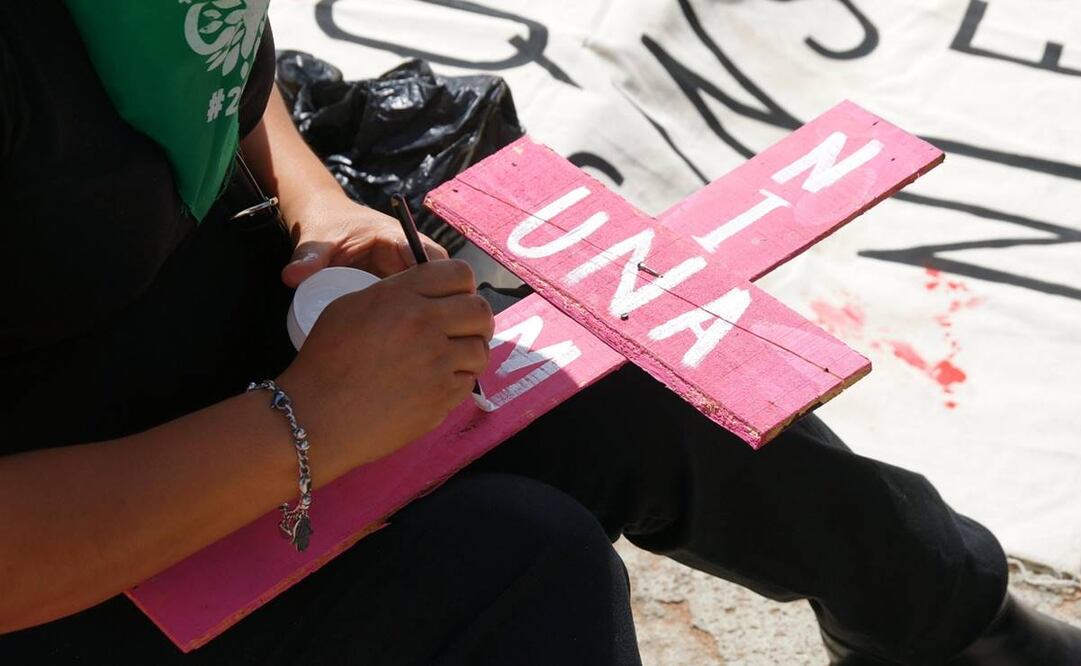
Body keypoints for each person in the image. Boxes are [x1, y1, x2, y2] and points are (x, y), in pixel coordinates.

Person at [1, 4, 1078, 664]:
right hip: (67, 547)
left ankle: (947, 621)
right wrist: (310, 422)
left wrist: (314, 203)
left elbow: (224, 67)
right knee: (517, 574)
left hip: (184, 347)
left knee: (619, 374)